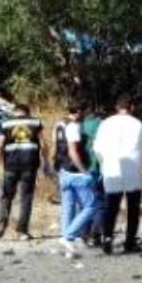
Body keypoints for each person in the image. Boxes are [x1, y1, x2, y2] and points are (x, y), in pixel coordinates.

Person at [93, 95, 142, 255]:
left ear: (116, 107)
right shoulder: (138, 124)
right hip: (132, 171)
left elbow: (97, 148)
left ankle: (107, 237)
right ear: (132, 108)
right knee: (133, 208)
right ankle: (130, 241)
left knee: (111, 207)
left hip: (111, 170)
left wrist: (103, 164)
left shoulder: (105, 124)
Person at [0, 103, 52, 241]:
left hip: (10, 166)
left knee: (6, 196)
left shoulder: (5, 124)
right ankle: (22, 231)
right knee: (26, 198)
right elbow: (43, 144)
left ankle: (1, 226)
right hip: (29, 165)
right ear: (27, 112)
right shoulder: (35, 122)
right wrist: (47, 163)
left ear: (15, 112)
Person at [53, 101, 98, 257]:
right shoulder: (73, 127)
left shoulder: (59, 124)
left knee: (68, 208)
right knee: (92, 206)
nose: (85, 115)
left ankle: (68, 246)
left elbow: (57, 149)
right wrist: (84, 171)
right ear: (79, 111)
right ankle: (69, 236)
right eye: (84, 111)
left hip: (63, 172)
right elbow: (73, 152)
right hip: (75, 173)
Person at [79, 105, 106, 247]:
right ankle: (96, 234)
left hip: (84, 167)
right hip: (97, 167)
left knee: (86, 203)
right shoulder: (101, 125)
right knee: (101, 203)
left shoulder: (80, 125)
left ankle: (84, 233)